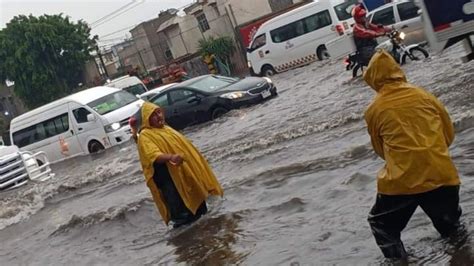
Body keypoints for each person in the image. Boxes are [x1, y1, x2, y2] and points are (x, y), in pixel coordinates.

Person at [363, 50, 462, 259]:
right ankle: (463, 256)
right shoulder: (424, 95)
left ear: (372, 77)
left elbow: (380, 149)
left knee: (382, 225)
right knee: (452, 228)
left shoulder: (374, 109)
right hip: (442, 174)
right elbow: (448, 134)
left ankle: (399, 261)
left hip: (401, 181)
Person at [131, 102, 223, 228]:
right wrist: (171, 157)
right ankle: (187, 244)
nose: (158, 117)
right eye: (153, 115)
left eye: (158, 112)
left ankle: (207, 236)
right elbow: (153, 155)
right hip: (169, 180)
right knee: (184, 216)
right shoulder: (146, 135)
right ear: (147, 118)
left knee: (200, 208)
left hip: (185, 174)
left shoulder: (167, 129)